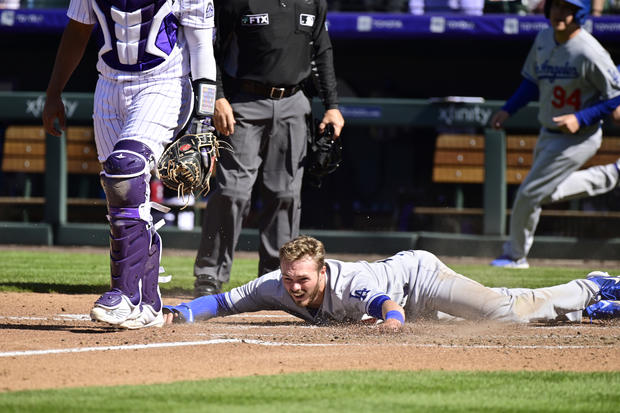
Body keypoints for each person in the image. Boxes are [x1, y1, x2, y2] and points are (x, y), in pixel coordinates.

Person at [42, 0, 218, 329]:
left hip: (163, 83)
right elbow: (78, 30)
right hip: (108, 85)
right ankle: (148, 302)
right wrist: (54, 92)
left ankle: (124, 294)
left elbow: (201, 46)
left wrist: (204, 121)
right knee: (120, 194)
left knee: (125, 170)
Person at [193, 0, 345, 297]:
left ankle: (278, 277)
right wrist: (217, 97)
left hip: (293, 102)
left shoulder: (313, 2)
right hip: (243, 101)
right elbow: (209, 49)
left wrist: (332, 107)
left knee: (284, 193)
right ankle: (210, 274)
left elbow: (322, 51)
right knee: (232, 192)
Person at [163, 235, 620, 329]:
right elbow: (223, 302)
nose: (294, 287)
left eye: (301, 278)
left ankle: (592, 286)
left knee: (502, 313)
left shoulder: (349, 283)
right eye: (289, 278)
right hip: (411, 299)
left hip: (419, 280)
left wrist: (393, 324)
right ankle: (582, 309)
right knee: (504, 309)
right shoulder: (276, 285)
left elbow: (386, 305)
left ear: (321, 271)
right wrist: (182, 313)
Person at [489, 0, 620, 268]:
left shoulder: (590, 50)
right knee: (543, 192)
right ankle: (614, 174)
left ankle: (515, 255)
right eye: (556, 6)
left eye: (567, 8)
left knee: (528, 194)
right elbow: (531, 81)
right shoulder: (543, 37)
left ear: (579, 13)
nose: (560, 13)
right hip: (548, 132)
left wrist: (580, 117)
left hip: (579, 137)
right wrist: (508, 109)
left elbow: (615, 98)